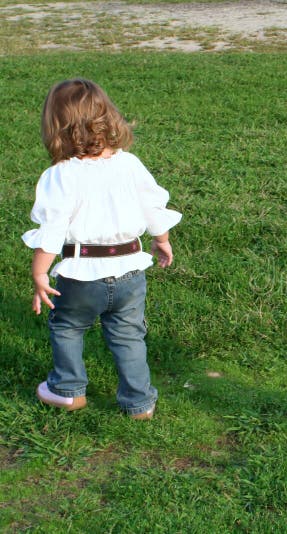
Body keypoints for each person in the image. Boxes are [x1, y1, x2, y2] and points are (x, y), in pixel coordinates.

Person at [22, 78, 182, 420]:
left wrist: (39, 272)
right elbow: (153, 207)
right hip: (130, 270)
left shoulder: (61, 174)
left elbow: (52, 229)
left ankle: (67, 390)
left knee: (67, 326)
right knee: (128, 334)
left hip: (82, 273)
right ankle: (139, 403)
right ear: (108, 118)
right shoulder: (129, 164)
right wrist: (162, 240)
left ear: (56, 127)